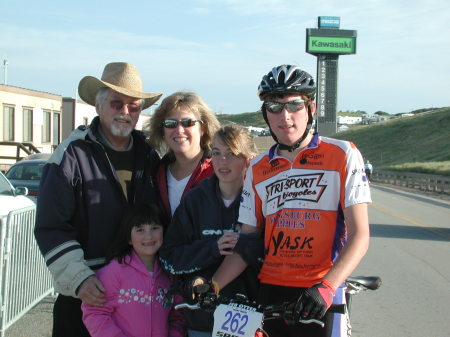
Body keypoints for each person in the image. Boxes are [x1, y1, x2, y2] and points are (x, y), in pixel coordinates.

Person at [212, 65, 372, 337]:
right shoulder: (258, 167)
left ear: (311, 108)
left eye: (294, 105)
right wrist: (212, 285)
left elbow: (360, 235)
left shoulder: (343, 154)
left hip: (320, 291)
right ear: (265, 114)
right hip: (271, 290)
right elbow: (247, 243)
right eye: (274, 107)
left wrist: (327, 287)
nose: (284, 116)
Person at [34, 62, 162, 337]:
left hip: (137, 299)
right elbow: (51, 226)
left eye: (134, 106)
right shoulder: (71, 155)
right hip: (86, 297)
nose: (126, 113)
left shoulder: (149, 155)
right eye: (117, 104)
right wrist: (79, 279)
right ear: (98, 105)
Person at [159, 123, 259, 337]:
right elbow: (169, 258)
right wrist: (212, 248)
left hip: (250, 317)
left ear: (248, 159)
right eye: (217, 153)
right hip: (201, 319)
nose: (223, 161)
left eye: (232, 154)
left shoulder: (261, 200)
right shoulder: (195, 200)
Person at [81, 203, 186, 337]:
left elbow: (178, 315)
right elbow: (95, 312)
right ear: (129, 238)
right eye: (140, 230)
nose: (148, 236)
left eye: (154, 228)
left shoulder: (171, 274)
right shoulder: (114, 271)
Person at [147, 91, 220, 222]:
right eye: (170, 123)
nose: (179, 130)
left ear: (202, 128)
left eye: (187, 123)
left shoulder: (219, 170)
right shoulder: (155, 173)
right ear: (162, 131)